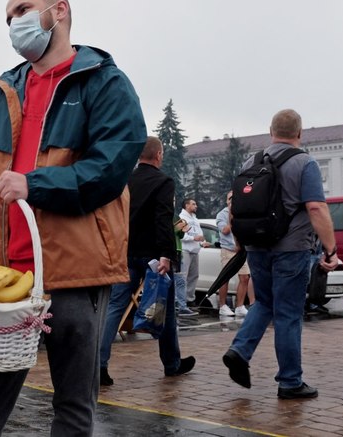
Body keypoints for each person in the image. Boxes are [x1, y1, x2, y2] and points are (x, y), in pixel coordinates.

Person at [0, 0, 146, 436]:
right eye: (8, 17)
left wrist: (34, 183)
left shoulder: (105, 81)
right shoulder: (5, 90)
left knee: (72, 404)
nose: (14, 23)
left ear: (60, 10)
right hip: (7, 273)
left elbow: (111, 167)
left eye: (23, 9)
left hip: (76, 270)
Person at [223, 109, 340, 399]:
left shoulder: (251, 160)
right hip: (292, 249)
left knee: (264, 302)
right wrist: (331, 248)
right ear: (299, 134)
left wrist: (240, 243)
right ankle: (290, 382)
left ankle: (239, 350)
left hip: (256, 247)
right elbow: (316, 208)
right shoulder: (305, 163)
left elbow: (235, 205)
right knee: (288, 314)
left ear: (270, 131)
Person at [99, 137, 195, 386]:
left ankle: (98, 364)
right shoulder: (164, 182)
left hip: (126, 252)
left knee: (115, 307)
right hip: (154, 255)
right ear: (159, 155)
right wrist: (166, 254)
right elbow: (163, 218)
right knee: (165, 307)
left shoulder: (124, 180)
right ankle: (172, 363)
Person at [215, 191, 253, 317]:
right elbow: (225, 230)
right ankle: (223, 306)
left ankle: (240, 306)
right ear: (227, 201)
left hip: (241, 251)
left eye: (234, 198)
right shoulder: (222, 214)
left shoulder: (243, 213)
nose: (232, 200)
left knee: (245, 277)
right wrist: (232, 217)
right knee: (225, 278)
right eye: (230, 198)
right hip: (228, 250)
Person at [179, 198, 208, 308]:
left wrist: (203, 242)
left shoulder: (195, 218)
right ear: (186, 205)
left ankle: (189, 299)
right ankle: (180, 301)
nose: (196, 206)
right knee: (183, 276)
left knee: (193, 276)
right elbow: (180, 235)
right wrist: (193, 238)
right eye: (193, 204)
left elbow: (199, 234)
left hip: (195, 250)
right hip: (185, 250)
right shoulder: (181, 218)